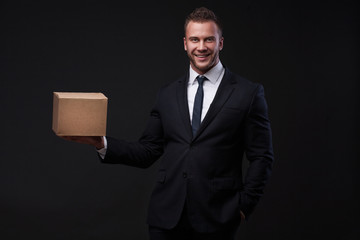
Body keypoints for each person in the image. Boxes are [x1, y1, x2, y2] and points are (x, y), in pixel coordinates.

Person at [62, 7, 274, 240]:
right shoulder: (167, 94)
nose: (201, 47)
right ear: (185, 43)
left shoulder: (248, 93)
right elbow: (148, 151)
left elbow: (262, 156)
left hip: (219, 218)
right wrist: (101, 143)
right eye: (195, 39)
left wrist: (243, 206)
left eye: (208, 40)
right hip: (166, 219)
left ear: (220, 43)